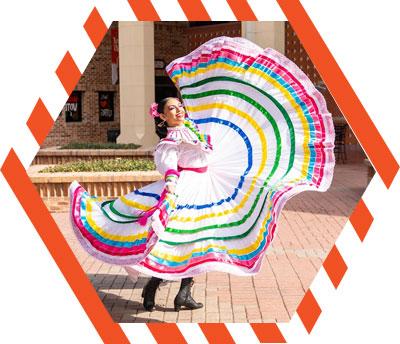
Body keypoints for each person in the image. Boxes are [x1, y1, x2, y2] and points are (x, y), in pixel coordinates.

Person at [69, 36, 335, 312]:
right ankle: (154, 287)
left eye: (179, 106)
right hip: (187, 187)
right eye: (172, 108)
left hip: (208, 181)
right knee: (186, 239)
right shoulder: (170, 140)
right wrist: (171, 184)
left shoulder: (192, 127)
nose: (179, 109)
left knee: (199, 240)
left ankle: (180, 292)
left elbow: (213, 125)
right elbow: (168, 162)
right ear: (162, 116)